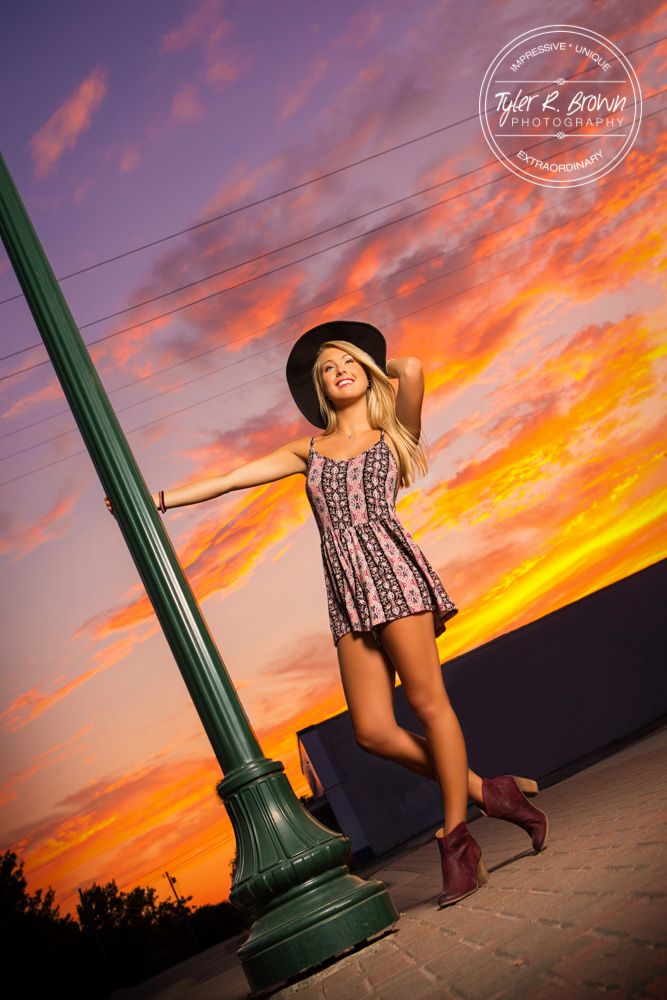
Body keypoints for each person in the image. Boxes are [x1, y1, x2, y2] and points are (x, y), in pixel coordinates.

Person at [105, 319, 548, 908]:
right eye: (327, 369)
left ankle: (458, 842)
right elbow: (233, 478)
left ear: (367, 372)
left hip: (393, 576)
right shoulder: (305, 450)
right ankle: (487, 791)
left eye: (348, 363)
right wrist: (153, 501)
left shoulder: (395, 435)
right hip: (346, 595)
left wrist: (369, 366)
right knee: (371, 730)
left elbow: (412, 369)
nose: (338, 371)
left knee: (427, 703)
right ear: (317, 391)